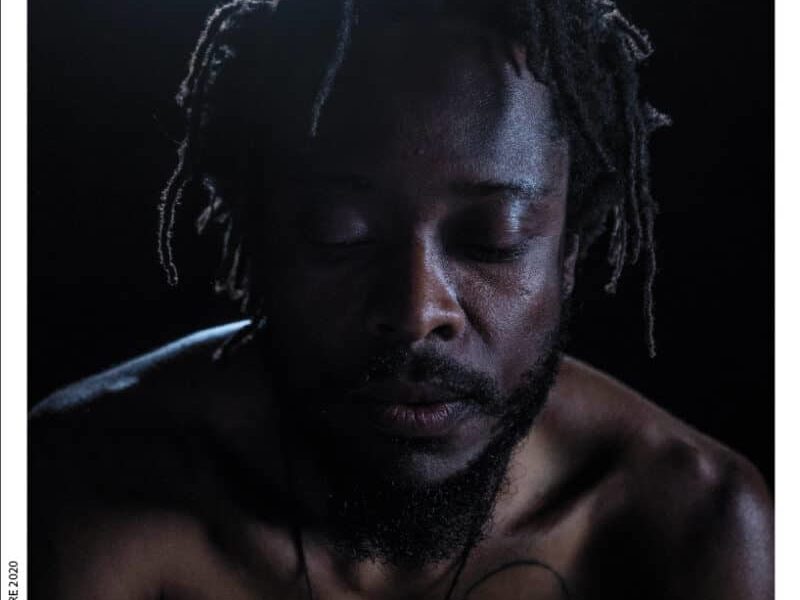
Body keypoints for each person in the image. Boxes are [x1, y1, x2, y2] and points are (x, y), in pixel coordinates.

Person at [29, 0, 773, 598]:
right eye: (340, 233)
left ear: (568, 251)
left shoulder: (701, 527)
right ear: (257, 236)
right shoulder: (69, 491)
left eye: (492, 238)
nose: (419, 312)